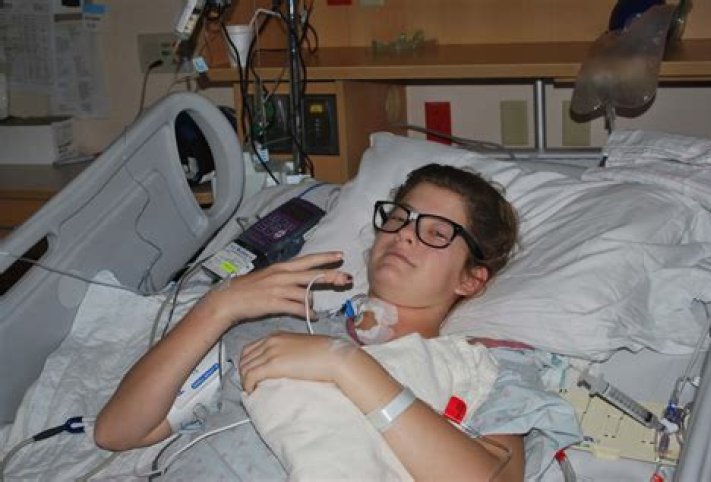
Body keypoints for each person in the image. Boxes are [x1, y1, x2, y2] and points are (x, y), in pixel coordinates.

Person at [94, 163, 522, 481]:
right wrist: (216, 308)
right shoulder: (274, 327)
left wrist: (344, 363)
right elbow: (118, 431)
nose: (405, 233)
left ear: (471, 279)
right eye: (398, 218)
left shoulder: (484, 370)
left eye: (437, 232)